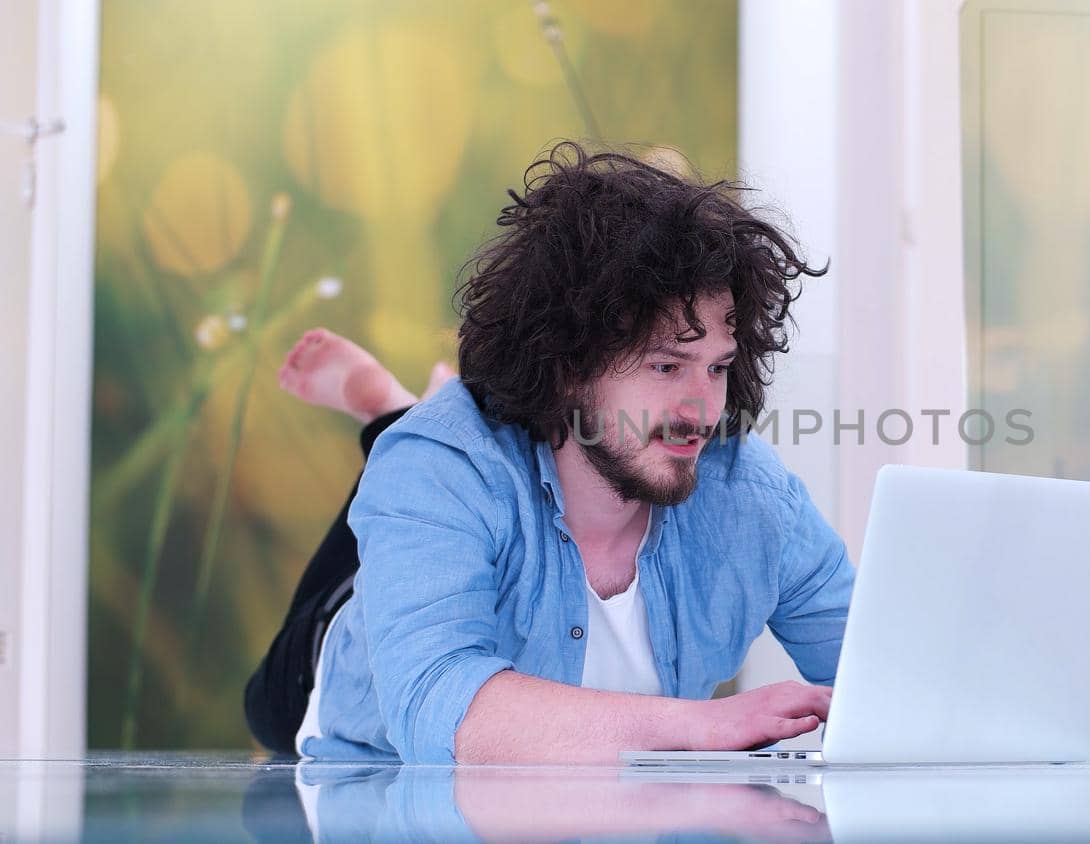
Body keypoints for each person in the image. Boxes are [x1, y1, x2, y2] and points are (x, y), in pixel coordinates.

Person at [243, 143, 854, 765]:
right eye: (666, 365)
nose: (702, 409)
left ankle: (409, 409)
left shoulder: (751, 495)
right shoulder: (439, 468)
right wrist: (703, 725)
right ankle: (392, 416)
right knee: (403, 471)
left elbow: (880, 677)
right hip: (335, 686)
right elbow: (434, 704)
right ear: (567, 366)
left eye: (717, 367)